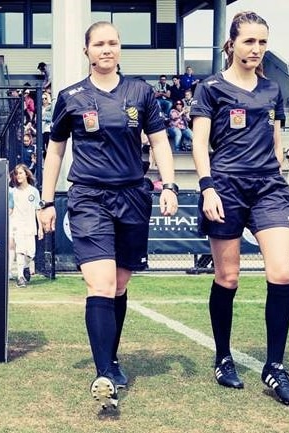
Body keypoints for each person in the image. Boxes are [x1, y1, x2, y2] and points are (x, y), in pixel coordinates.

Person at [38, 21, 178, 411]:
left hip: (133, 195)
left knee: (118, 285)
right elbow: (54, 152)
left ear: (119, 48)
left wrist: (169, 185)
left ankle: (111, 359)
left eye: (113, 43)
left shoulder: (141, 92)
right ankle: (103, 374)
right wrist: (47, 201)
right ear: (86, 51)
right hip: (88, 197)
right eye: (99, 44)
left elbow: (160, 141)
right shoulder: (70, 98)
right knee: (99, 284)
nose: (106, 49)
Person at [190, 11, 289, 407]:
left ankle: (274, 366)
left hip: (268, 187)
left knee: (282, 272)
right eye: (249, 41)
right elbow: (200, 143)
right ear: (232, 44)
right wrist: (207, 188)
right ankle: (223, 357)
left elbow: (275, 137)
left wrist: (281, 176)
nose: (256, 49)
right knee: (229, 277)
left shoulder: (272, 90)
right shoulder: (211, 88)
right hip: (226, 186)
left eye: (262, 42)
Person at [10, 164, 43, 287]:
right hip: (17, 225)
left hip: (30, 226)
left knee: (30, 253)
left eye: (21, 173)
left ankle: (26, 267)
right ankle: (20, 277)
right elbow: (10, 209)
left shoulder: (34, 191)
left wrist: (40, 228)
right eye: (17, 173)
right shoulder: (12, 192)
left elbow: (37, 209)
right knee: (20, 251)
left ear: (26, 174)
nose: (18, 176)